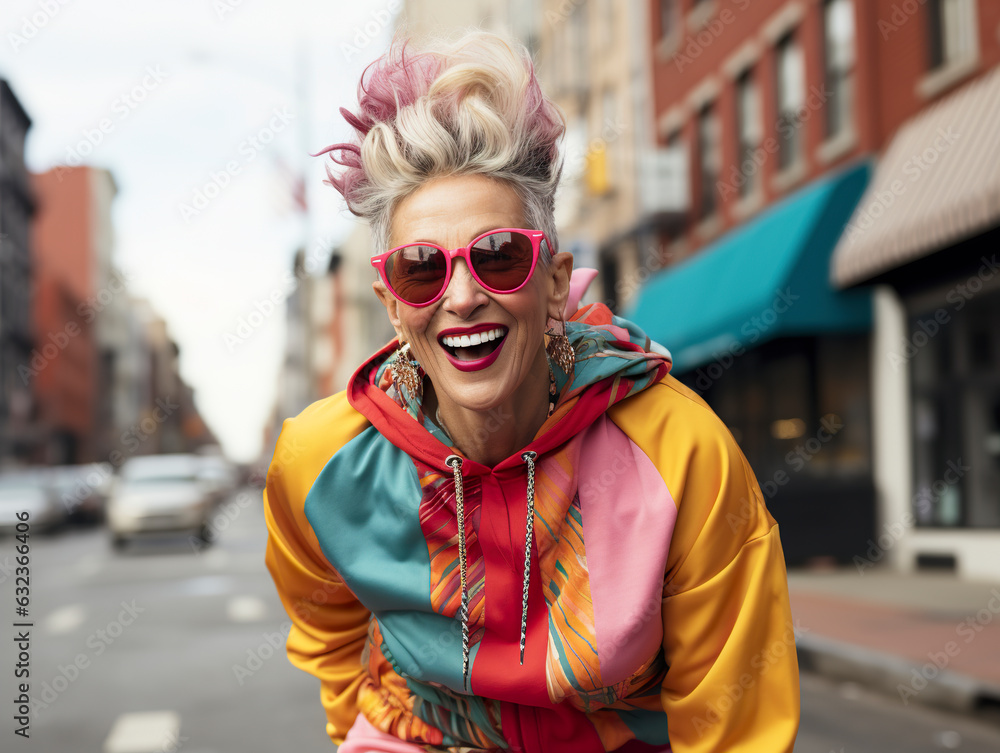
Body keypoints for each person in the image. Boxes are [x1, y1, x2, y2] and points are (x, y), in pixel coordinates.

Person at [263, 29, 800, 753]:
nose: (461, 297)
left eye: (498, 257)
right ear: (392, 304)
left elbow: (739, 729)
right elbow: (328, 633)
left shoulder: (681, 454)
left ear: (553, 282)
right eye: (423, 267)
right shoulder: (317, 461)